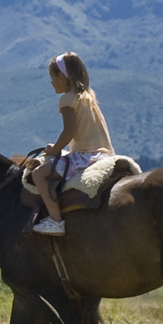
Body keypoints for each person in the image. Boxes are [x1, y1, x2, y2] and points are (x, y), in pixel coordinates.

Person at [31, 52, 113, 236]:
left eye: (52, 77)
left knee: (38, 174)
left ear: (61, 77)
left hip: (85, 157)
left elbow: (69, 131)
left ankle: (55, 220)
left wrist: (54, 149)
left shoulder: (67, 100)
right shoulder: (88, 96)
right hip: (102, 154)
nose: (51, 82)